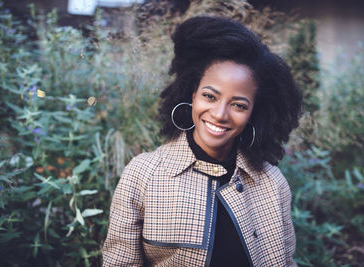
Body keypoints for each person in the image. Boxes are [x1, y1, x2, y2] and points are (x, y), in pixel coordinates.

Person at [103, 16, 302, 267]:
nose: (220, 114)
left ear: (254, 113)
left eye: (238, 105)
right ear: (193, 94)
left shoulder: (272, 183)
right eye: (210, 96)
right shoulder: (143, 175)